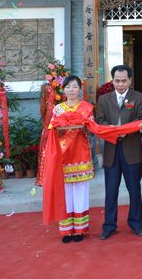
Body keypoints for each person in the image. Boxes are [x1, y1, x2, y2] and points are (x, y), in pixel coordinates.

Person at [96, 65, 142, 240]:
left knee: (134, 190)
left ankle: (136, 223)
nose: (120, 84)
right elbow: (99, 120)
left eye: (124, 81)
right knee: (111, 191)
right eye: (117, 81)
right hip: (111, 150)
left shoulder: (139, 98)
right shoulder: (104, 99)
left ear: (130, 80)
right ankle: (109, 225)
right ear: (112, 81)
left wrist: (127, 130)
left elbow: (141, 119)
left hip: (131, 149)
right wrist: (111, 130)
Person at [52, 76, 95, 243]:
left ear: (80, 89)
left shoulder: (87, 108)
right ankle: (66, 229)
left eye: (75, 86)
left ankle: (79, 229)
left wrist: (84, 127)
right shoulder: (57, 109)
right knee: (65, 193)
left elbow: (91, 130)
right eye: (68, 87)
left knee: (80, 192)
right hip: (63, 154)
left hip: (80, 152)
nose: (71, 90)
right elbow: (52, 131)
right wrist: (60, 129)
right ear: (63, 89)